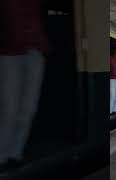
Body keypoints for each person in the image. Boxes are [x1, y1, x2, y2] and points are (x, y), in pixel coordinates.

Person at [0, 0, 48, 172]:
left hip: (34, 51)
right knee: (9, 109)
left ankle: (15, 153)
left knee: (28, 109)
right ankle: (2, 156)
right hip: (8, 52)